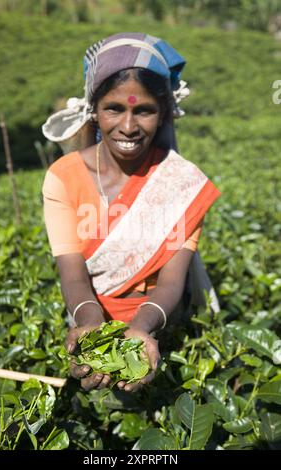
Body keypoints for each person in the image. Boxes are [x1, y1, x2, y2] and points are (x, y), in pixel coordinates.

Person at [41, 33, 221, 392]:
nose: (128, 126)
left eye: (144, 110)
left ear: (164, 113)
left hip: (161, 323)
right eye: (114, 108)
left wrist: (141, 329)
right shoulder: (63, 178)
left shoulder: (181, 183)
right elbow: (72, 274)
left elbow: (172, 282)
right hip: (88, 316)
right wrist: (92, 328)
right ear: (93, 110)